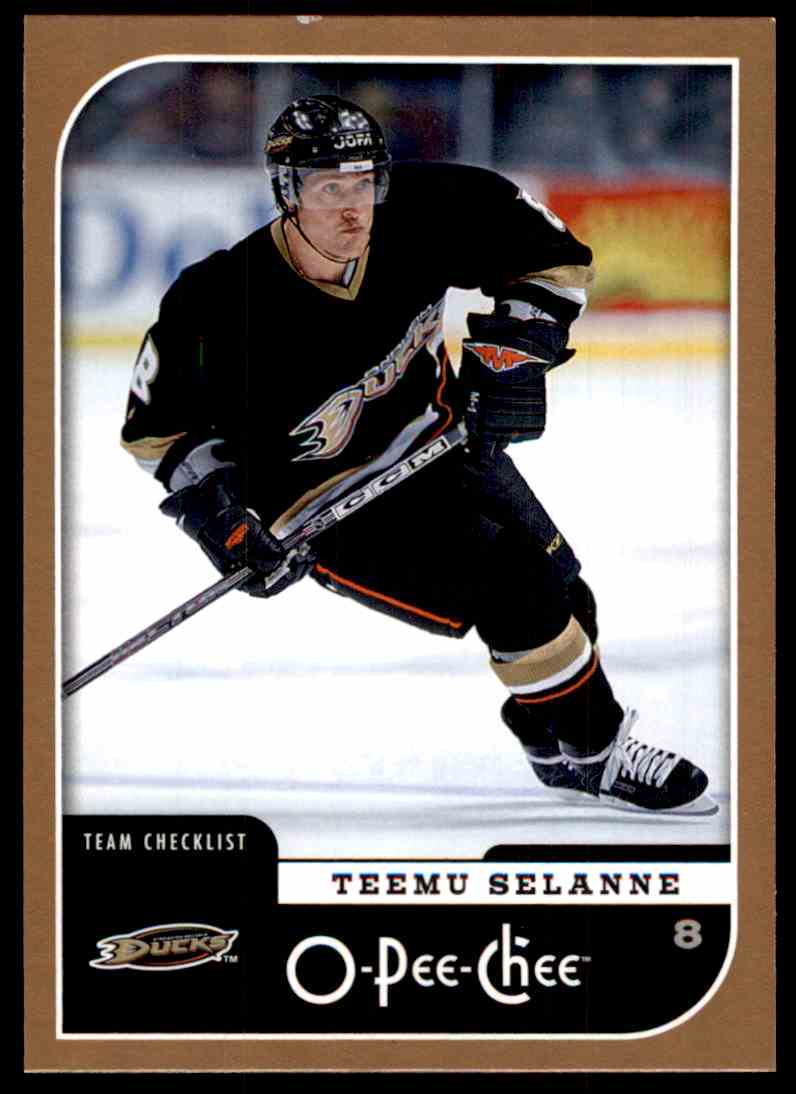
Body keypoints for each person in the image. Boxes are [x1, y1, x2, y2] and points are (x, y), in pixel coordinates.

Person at [120, 95, 716, 816]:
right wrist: (221, 523)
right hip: (325, 507)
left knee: (567, 600)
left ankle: (548, 733)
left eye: (365, 183)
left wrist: (513, 354)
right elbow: (158, 432)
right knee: (517, 588)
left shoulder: (430, 210)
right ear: (286, 191)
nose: (353, 209)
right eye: (329, 189)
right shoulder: (217, 300)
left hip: (439, 443)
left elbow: (554, 260)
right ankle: (599, 751)